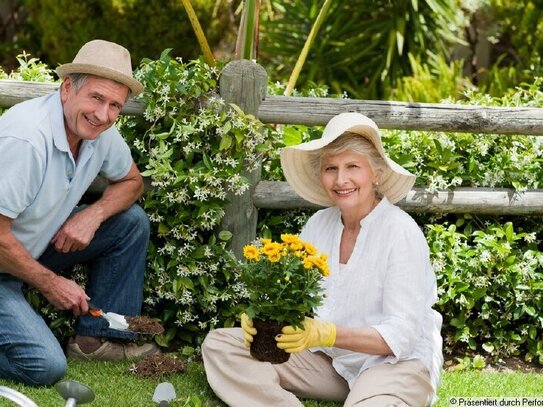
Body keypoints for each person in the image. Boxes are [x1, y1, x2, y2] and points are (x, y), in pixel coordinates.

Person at [202, 112, 443, 406]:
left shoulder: (401, 231)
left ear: (376, 174)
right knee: (222, 345)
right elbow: (292, 299)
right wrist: (259, 319)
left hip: (393, 365)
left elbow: (400, 338)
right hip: (328, 362)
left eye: (353, 166)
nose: (341, 180)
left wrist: (327, 334)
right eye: (331, 168)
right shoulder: (318, 224)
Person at [0, 39, 160, 387]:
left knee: (129, 222)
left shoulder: (99, 132)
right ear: (67, 88)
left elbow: (132, 182)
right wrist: (50, 282)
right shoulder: (27, 139)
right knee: (44, 368)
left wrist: (94, 213)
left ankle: (98, 340)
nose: (103, 114)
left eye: (115, 105)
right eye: (96, 98)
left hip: (28, 251)